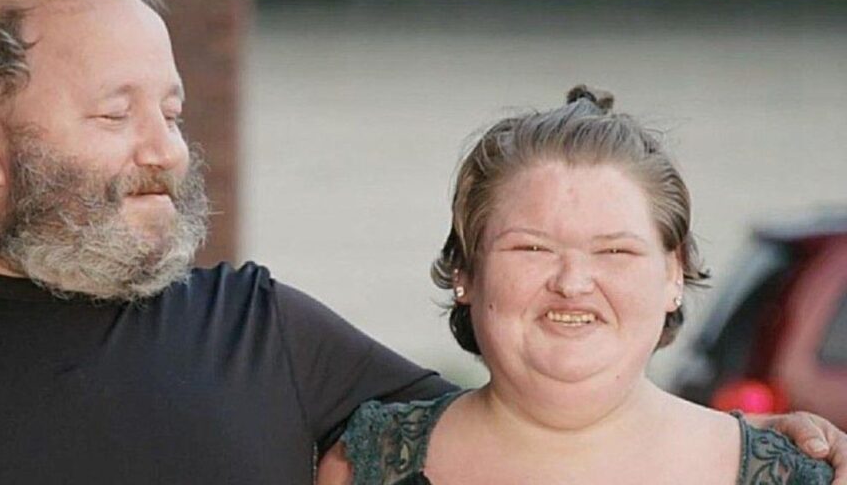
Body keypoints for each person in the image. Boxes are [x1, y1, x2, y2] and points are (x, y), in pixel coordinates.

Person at [0, 0, 841, 483]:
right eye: (115, 113)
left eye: (172, 112)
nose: (167, 152)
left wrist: (749, 451)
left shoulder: (262, 330)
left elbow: (546, 409)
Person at [317, 86, 836, 484]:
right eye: (532, 248)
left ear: (674, 274)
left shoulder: (791, 475)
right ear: (465, 273)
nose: (573, 282)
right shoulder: (366, 464)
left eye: (615, 251)